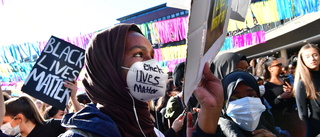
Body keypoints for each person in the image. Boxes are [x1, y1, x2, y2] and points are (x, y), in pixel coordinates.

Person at [59, 24, 224, 137]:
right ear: (107, 68)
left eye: (152, 56)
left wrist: (211, 111)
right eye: (138, 54)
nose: (152, 64)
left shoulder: (150, 129)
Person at [218, 71, 290, 137]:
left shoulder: (266, 119)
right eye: (236, 98)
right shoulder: (218, 131)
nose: (246, 102)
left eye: (251, 96)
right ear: (224, 102)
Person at [262, 56, 304, 137]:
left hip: (294, 116)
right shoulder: (267, 86)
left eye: (281, 64)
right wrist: (281, 97)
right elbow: (270, 105)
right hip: (281, 120)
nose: (281, 66)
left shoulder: (285, 80)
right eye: (278, 65)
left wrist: (293, 92)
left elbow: (295, 100)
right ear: (270, 68)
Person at [1, 96, 66, 137]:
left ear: (19, 118)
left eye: (4, 122)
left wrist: (73, 98)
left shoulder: (54, 126)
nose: (1, 126)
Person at [293, 43, 320, 137]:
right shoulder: (302, 84)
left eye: (315, 55)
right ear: (302, 60)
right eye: (307, 57)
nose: (312, 59)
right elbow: (303, 115)